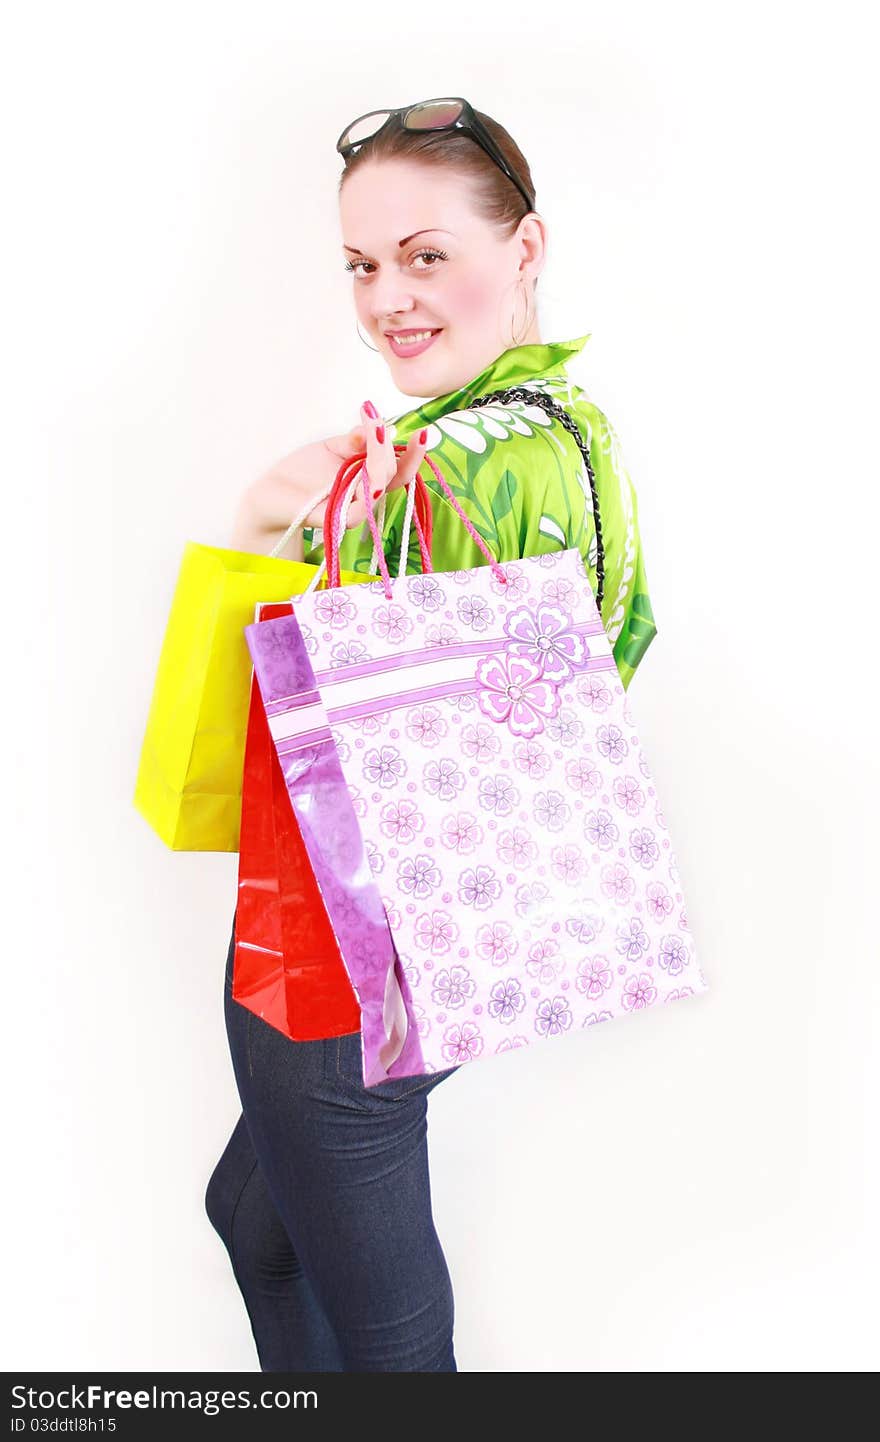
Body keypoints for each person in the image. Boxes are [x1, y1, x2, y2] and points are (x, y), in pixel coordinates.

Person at [205, 97, 658, 1374]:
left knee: (394, 1339)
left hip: (353, 956)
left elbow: (297, 727)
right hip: (477, 930)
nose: (388, 296)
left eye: (425, 253)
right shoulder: (571, 426)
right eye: (362, 263)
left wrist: (272, 519)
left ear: (524, 250)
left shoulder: (437, 468)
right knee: (257, 1223)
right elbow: (617, 650)